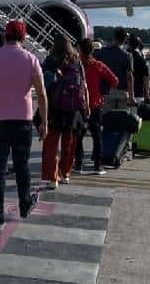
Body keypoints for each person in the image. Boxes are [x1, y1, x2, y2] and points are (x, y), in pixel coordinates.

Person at [0, 20, 47, 237]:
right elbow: (42, 94)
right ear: (23, 38)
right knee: (21, 165)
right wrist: (45, 121)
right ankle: (25, 204)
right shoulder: (31, 59)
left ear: (6, 36)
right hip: (22, 121)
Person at [41, 33, 88, 188]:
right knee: (69, 144)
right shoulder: (76, 61)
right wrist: (86, 106)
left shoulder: (50, 60)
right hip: (72, 109)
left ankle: (52, 178)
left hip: (53, 108)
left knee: (51, 145)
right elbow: (83, 85)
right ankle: (65, 173)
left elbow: (43, 87)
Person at [78, 37, 118, 175]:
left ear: (80, 50)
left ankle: (78, 163)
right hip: (95, 104)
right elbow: (114, 80)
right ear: (92, 50)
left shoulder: (77, 65)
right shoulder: (98, 65)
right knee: (97, 136)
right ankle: (97, 165)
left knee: (78, 135)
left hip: (79, 104)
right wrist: (104, 90)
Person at [94, 27, 134, 106]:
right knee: (121, 116)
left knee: (106, 116)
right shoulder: (127, 55)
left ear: (114, 38)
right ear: (124, 40)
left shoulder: (103, 52)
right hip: (122, 92)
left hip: (106, 91)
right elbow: (129, 77)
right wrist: (131, 96)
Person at [128, 35, 150, 103]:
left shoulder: (124, 55)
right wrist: (147, 93)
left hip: (124, 92)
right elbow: (146, 76)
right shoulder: (140, 58)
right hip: (137, 92)